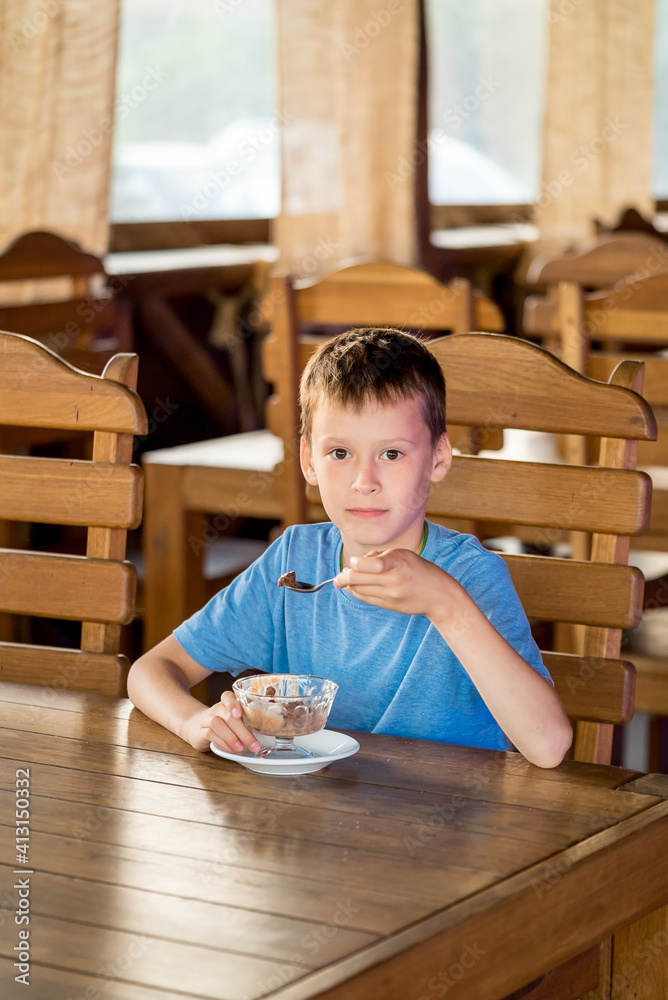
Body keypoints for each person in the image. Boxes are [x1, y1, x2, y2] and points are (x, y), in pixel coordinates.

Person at [128, 328, 572, 768]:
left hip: (449, 825)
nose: (365, 482)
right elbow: (152, 670)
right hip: (316, 824)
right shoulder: (293, 564)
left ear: (438, 458)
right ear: (308, 460)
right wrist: (193, 722)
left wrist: (447, 606)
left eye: (392, 454)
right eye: (340, 453)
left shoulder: (471, 577)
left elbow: (549, 745)